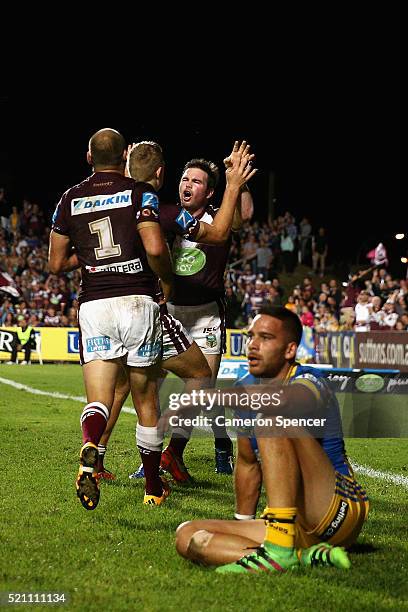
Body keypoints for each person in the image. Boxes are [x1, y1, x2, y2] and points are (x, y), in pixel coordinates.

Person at [96, 140, 256, 482]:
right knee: (144, 386)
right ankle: (148, 454)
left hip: (206, 313)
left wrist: (236, 180)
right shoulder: (164, 216)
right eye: (185, 179)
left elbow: (244, 217)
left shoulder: (220, 215)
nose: (187, 185)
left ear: (210, 192)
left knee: (201, 386)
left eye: (196, 181)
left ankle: (172, 454)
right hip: (169, 311)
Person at [174, 306, 369, 573]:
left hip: (337, 509)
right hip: (289, 524)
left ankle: (279, 549)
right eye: (251, 336)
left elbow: (286, 401)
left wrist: (215, 396)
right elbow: (247, 464)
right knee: (189, 536)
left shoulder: (309, 379)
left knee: (270, 419)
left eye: (265, 338)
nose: (253, 345)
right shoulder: (245, 387)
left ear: (289, 350)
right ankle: (302, 556)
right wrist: (242, 523)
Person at [48, 128, 174, 509]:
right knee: (145, 397)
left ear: (89, 157)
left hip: (95, 304)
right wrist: (166, 275)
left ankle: (91, 443)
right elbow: (153, 245)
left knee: (100, 398)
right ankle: (153, 488)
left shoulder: (68, 198)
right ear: (125, 157)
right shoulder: (139, 192)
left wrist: (89, 259)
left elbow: (55, 263)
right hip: (137, 299)